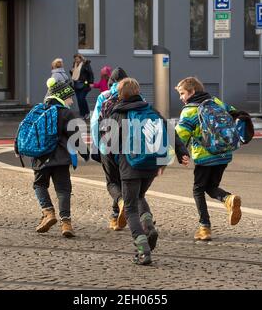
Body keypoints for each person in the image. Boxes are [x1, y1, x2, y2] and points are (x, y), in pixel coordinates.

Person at [110, 78, 189, 265]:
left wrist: (113, 170)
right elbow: (171, 131)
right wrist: (182, 152)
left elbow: (110, 146)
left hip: (129, 166)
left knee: (129, 208)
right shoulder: (151, 111)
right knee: (140, 197)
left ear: (120, 94)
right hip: (151, 166)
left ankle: (142, 248)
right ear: (138, 91)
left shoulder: (118, 114)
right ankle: (148, 226)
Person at [175, 77, 242, 242]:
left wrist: (177, 153)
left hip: (205, 157)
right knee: (211, 186)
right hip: (224, 154)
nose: (181, 97)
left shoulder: (190, 110)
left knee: (198, 189)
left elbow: (180, 135)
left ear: (192, 91)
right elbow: (235, 113)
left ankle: (204, 228)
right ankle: (228, 199)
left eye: (182, 93)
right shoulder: (215, 101)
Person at [30, 78, 89, 238]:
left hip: (41, 158)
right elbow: (75, 136)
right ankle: (66, 223)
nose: (71, 100)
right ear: (61, 97)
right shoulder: (66, 113)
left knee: (39, 185)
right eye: (69, 97)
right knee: (63, 190)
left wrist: (18, 148)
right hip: (61, 159)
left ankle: (48, 212)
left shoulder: (38, 111)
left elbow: (27, 131)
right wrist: (85, 152)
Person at [90, 67, 129, 231]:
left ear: (110, 82)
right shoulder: (135, 96)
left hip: (107, 144)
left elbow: (94, 124)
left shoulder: (104, 96)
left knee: (112, 181)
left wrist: (97, 145)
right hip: (129, 146)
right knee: (125, 180)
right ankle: (118, 214)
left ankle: (118, 208)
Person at [70, 53, 94, 120]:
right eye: (75, 59)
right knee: (79, 100)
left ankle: (87, 113)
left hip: (84, 84)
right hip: (76, 85)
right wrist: (71, 71)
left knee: (82, 98)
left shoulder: (85, 64)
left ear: (80, 58)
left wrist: (91, 82)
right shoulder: (74, 64)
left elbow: (90, 73)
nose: (76, 60)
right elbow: (74, 76)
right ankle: (82, 114)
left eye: (77, 58)